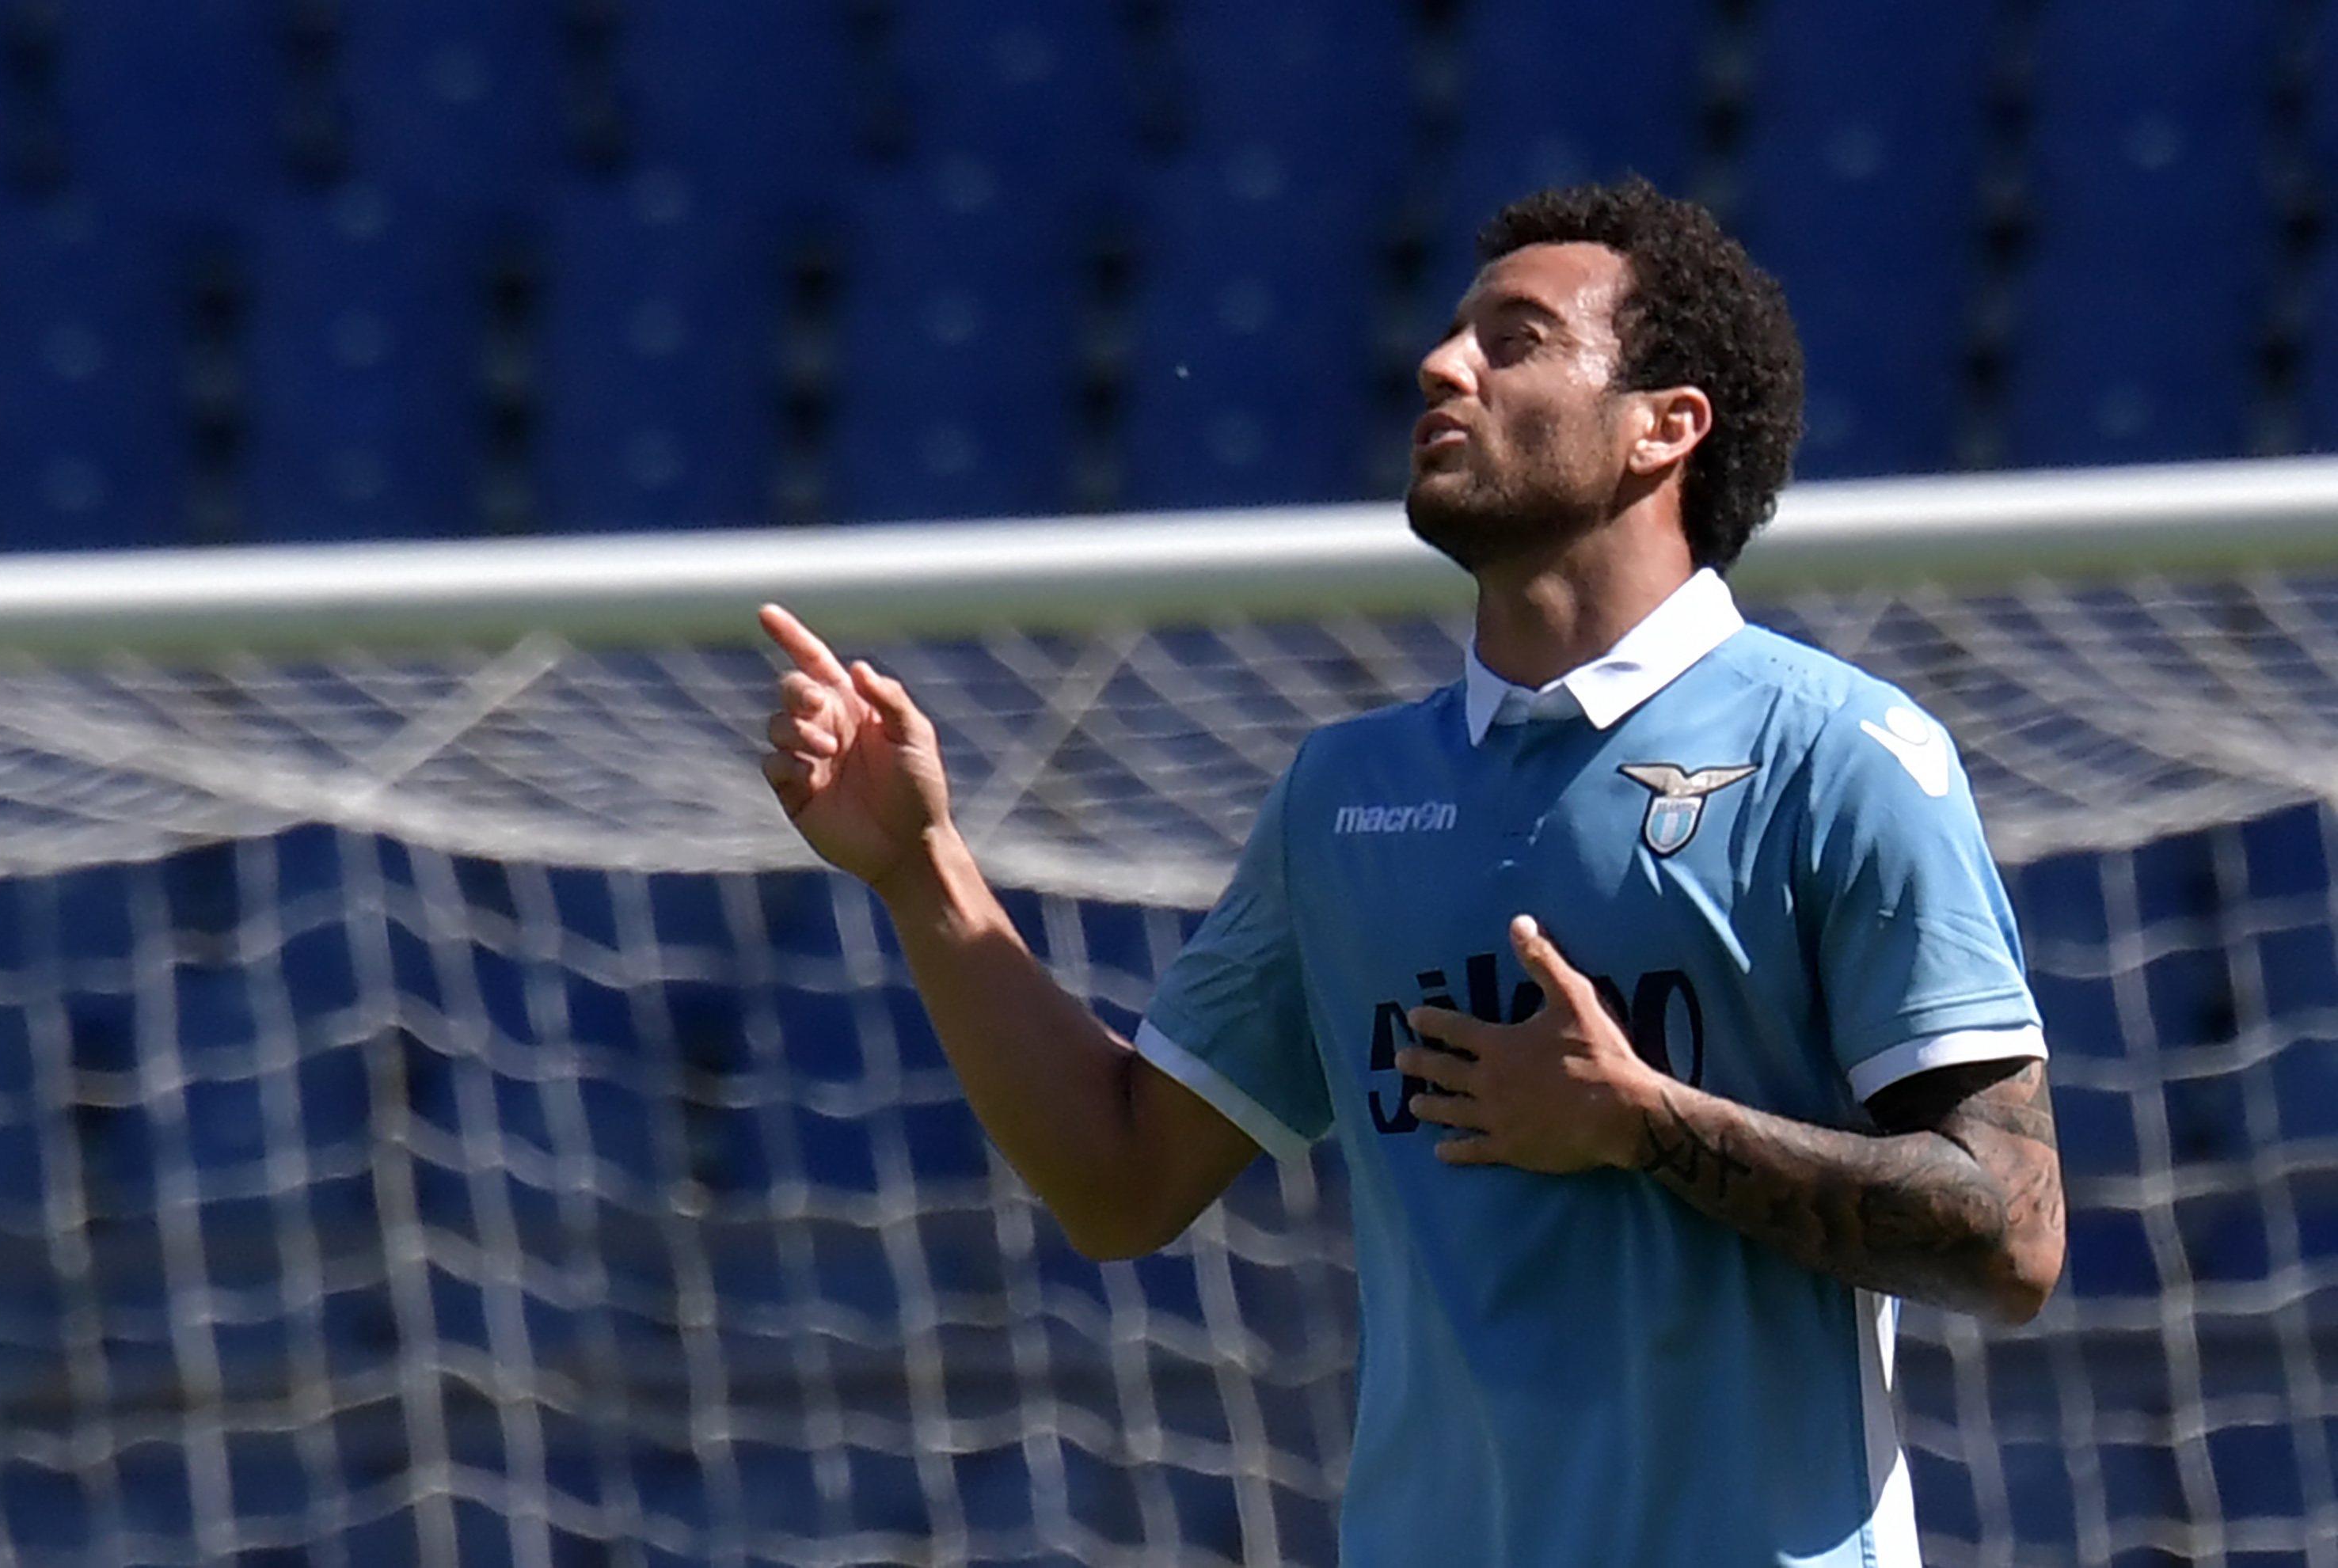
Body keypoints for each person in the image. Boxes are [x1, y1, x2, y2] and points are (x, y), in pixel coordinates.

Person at [758, 177, 2064, 1568]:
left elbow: (2015, 1235)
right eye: (1453, 335)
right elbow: (1119, 1178)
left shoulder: (1839, 753)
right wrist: (919, 868)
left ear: (1664, 427)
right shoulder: (1349, 792)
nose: (1444, 365)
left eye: (1516, 338)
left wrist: (1642, 1120)